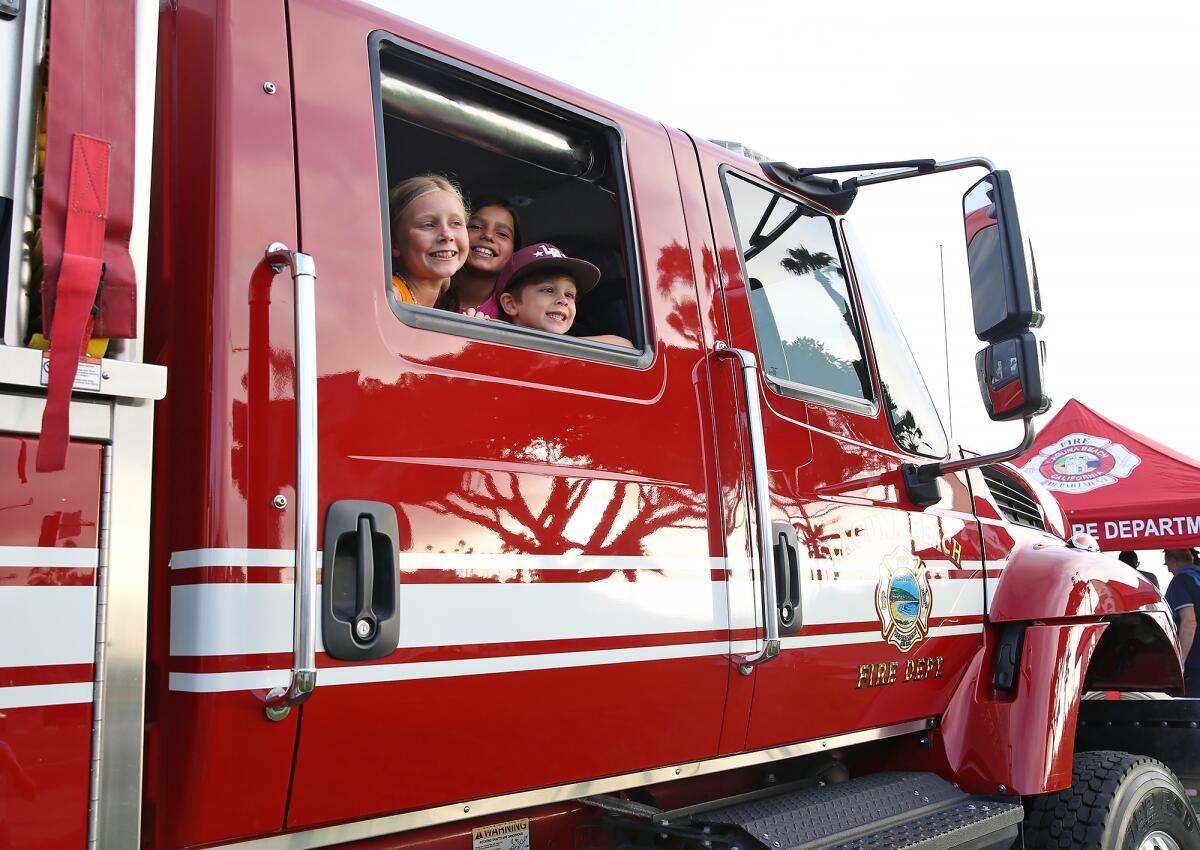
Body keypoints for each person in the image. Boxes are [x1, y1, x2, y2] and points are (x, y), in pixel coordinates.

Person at [494, 243, 633, 348]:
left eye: (570, 295)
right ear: (510, 304)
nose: (563, 300)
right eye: (548, 290)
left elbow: (624, 345)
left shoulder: (576, 344)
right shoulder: (491, 339)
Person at [387, 175, 469, 307]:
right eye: (428, 225)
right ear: (394, 243)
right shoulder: (391, 296)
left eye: (455, 223)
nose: (447, 235)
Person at [439, 199, 522, 318]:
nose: (488, 236)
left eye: (502, 234)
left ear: (514, 251)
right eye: (476, 226)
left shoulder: (513, 313)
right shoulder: (427, 290)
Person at [1163, 548, 1200, 696]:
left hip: (1194, 663)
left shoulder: (1180, 580)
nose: (1168, 570)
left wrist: (1179, 664)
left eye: (1167, 565)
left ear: (1174, 560)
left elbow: (1189, 622)